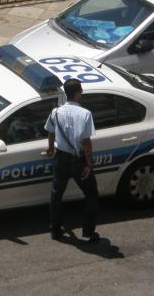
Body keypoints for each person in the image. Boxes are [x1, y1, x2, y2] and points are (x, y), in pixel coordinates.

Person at [44, 78, 99, 243]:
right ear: (78, 93)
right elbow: (86, 142)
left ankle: (55, 230)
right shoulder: (85, 114)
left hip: (60, 158)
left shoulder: (55, 112)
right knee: (91, 195)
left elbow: (50, 132)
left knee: (56, 194)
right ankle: (88, 232)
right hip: (78, 161)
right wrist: (89, 164)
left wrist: (50, 149)